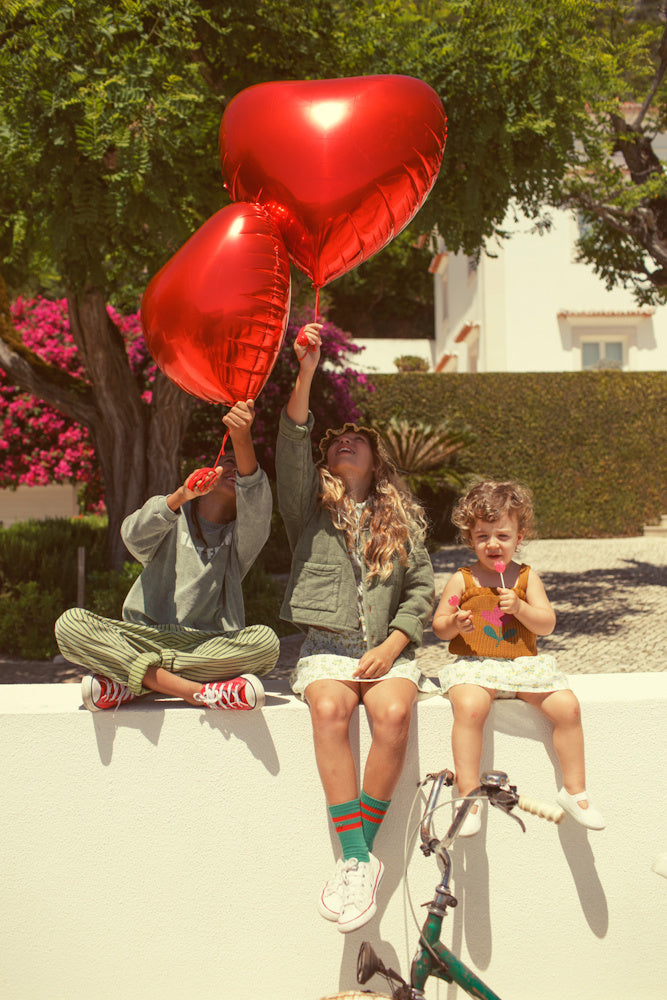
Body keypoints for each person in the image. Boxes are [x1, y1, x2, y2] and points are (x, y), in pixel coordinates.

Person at [276, 323, 436, 934]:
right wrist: (307, 371)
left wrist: (395, 643)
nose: (343, 442)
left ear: (375, 460)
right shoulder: (307, 508)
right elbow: (292, 445)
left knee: (394, 714)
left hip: (386, 651)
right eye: (336, 440)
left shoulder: (403, 519)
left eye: (355, 440)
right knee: (329, 713)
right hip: (326, 648)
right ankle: (359, 861)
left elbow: (421, 587)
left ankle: (353, 856)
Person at [55, 399, 279, 712]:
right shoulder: (171, 517)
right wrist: (180, 497)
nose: (233, 468)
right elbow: (132, 535)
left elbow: (255, 494)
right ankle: (194, 690)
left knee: (265, 643)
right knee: (70, 623)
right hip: (145, 636)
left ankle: (138, 683)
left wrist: (242, 436)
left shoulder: (242, 539)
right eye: (225, 461)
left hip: (206, 645)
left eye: (237, 465)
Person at [432, 479, 605, 835]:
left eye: (502, 536)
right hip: (477, 666)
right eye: (482, 537)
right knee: (470, 708)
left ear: (519, 536)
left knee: (568, 707)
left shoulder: (526, 577)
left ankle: (576, 791)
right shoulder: (462, 581)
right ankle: (467, 796)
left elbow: (547, 624)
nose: (492, 544)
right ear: (470, 539)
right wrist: (456, 622)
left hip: (521, 666)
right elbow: (438, 627)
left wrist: (522, 608)